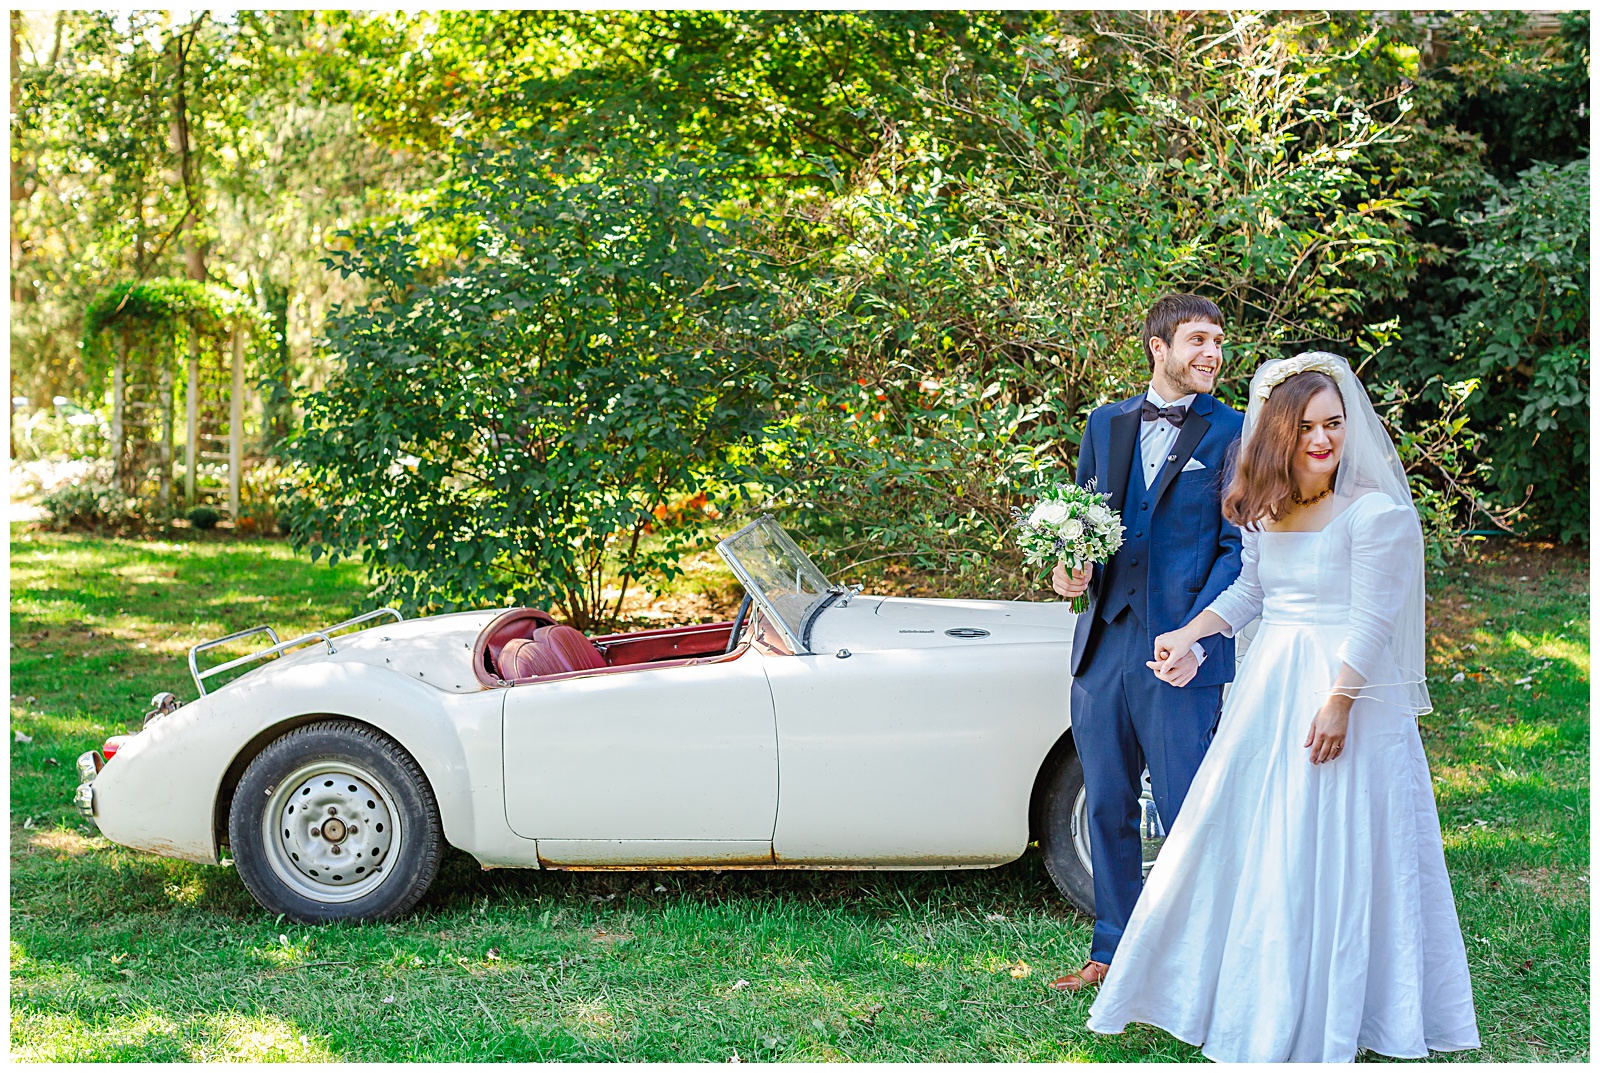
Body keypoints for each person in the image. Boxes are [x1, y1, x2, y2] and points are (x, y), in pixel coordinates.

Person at [1085, 352, 1481, 1062]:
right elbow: (1252, 595)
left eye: (1333, 424)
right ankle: (1255, 985)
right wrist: (1193, 631)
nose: (1323, 439)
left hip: (1341, 689)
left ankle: (1346, 1000)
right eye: (1306, 428)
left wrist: (1339, 702)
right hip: (1271, 685)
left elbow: (1374, 618)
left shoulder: (1375, 513)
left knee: (1340, 836)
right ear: (1279, 434)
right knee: (1257, 832)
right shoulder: (1268, 509)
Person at [1047, 294, 1245, 992]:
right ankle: (1114, 952)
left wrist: (1197, 634)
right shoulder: (1105, 424)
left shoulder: (1235, 432)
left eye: (1218, 341)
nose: (1212, 354)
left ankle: (1195, 960)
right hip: (1103, 647)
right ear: (1157, 348)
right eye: (1197, 340)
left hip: (1183, 655)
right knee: (1106, 802)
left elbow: (1236, 550)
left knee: (1190, 808)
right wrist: (1067, 570)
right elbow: (1080, 525)